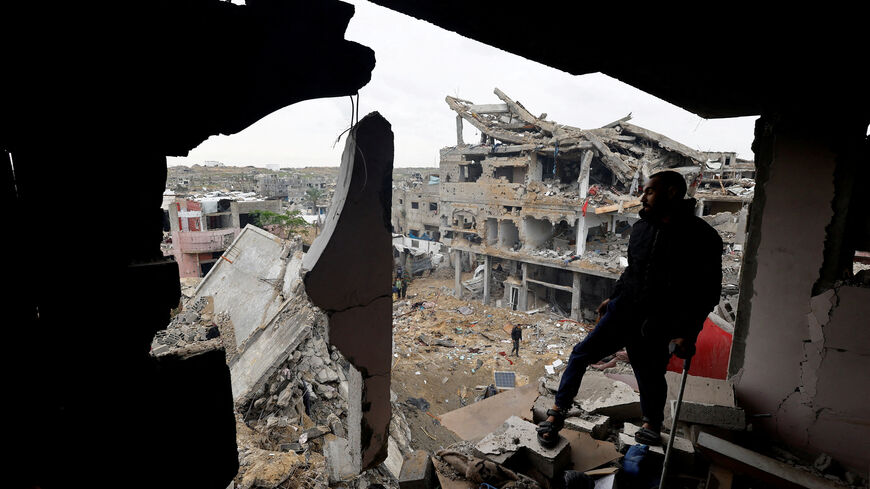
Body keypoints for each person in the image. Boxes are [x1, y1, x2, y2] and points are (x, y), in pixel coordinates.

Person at [536, 170, 722, 448]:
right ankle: (558, 413)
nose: (642, 197)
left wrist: (689, 333)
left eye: (649, 191)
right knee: (581, 354)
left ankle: (651, 424)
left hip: (658, 322)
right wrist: (613, 298)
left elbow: (707, 293)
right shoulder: (642, 228)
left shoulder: (702, 237)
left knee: (649, 373)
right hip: (623, 312)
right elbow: (632, 271)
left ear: (671, 192)